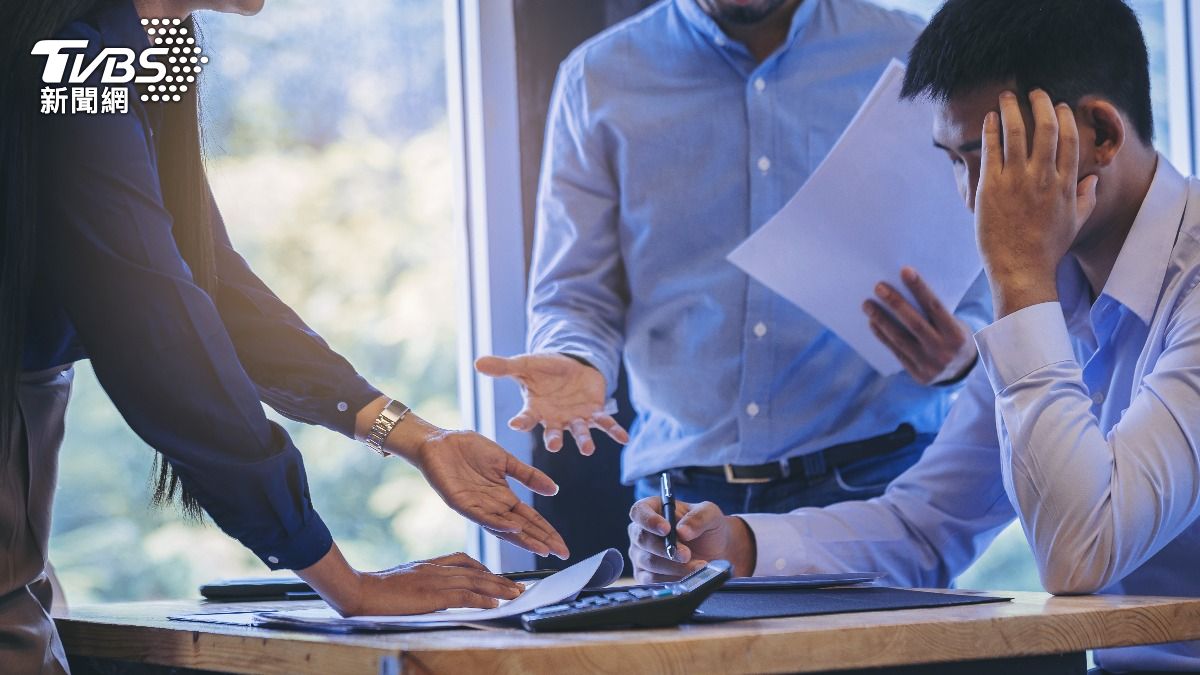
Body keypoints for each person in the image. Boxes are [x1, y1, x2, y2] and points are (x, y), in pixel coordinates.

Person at [629, 0, 1200, 670]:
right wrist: (736, 546)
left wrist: (1018, 275)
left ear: (1101, 134)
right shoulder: (1057, 292)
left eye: (991, 158)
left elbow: (1081, 551)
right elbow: (926, 525)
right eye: (954, 163)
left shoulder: (1060, 286)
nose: (972, 198)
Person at [0, 1, 568, 672]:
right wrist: (346, 584)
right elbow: (158, 333)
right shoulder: (74, 55)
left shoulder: (133, 47)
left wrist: (416, 436)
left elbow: (212, 283)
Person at [476, 0, 992, 519]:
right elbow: (576, 294)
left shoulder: (911, 51)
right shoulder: (597, 78)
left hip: (880, 477)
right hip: (682, 495)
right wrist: (575, 357)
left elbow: (982, 265)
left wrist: (963, 356)